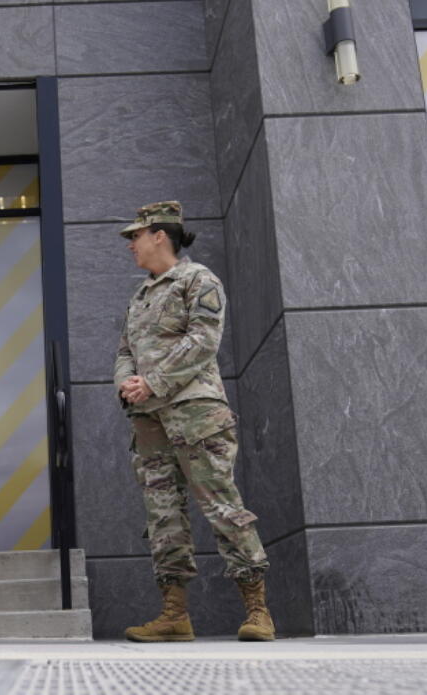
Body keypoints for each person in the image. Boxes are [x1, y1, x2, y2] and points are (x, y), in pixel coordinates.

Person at [114, 201, 274, 642]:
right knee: (163, 517)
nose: (131, 244)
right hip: (149, 422)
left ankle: (258, 610)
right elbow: (125, 349)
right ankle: (174, 616)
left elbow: (204, 339)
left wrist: (154, 381)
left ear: (160, 235)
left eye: (136, 235)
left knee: (222, 507)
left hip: (196, 414)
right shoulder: (141, 295)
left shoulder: (198, 280)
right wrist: (127, 383)